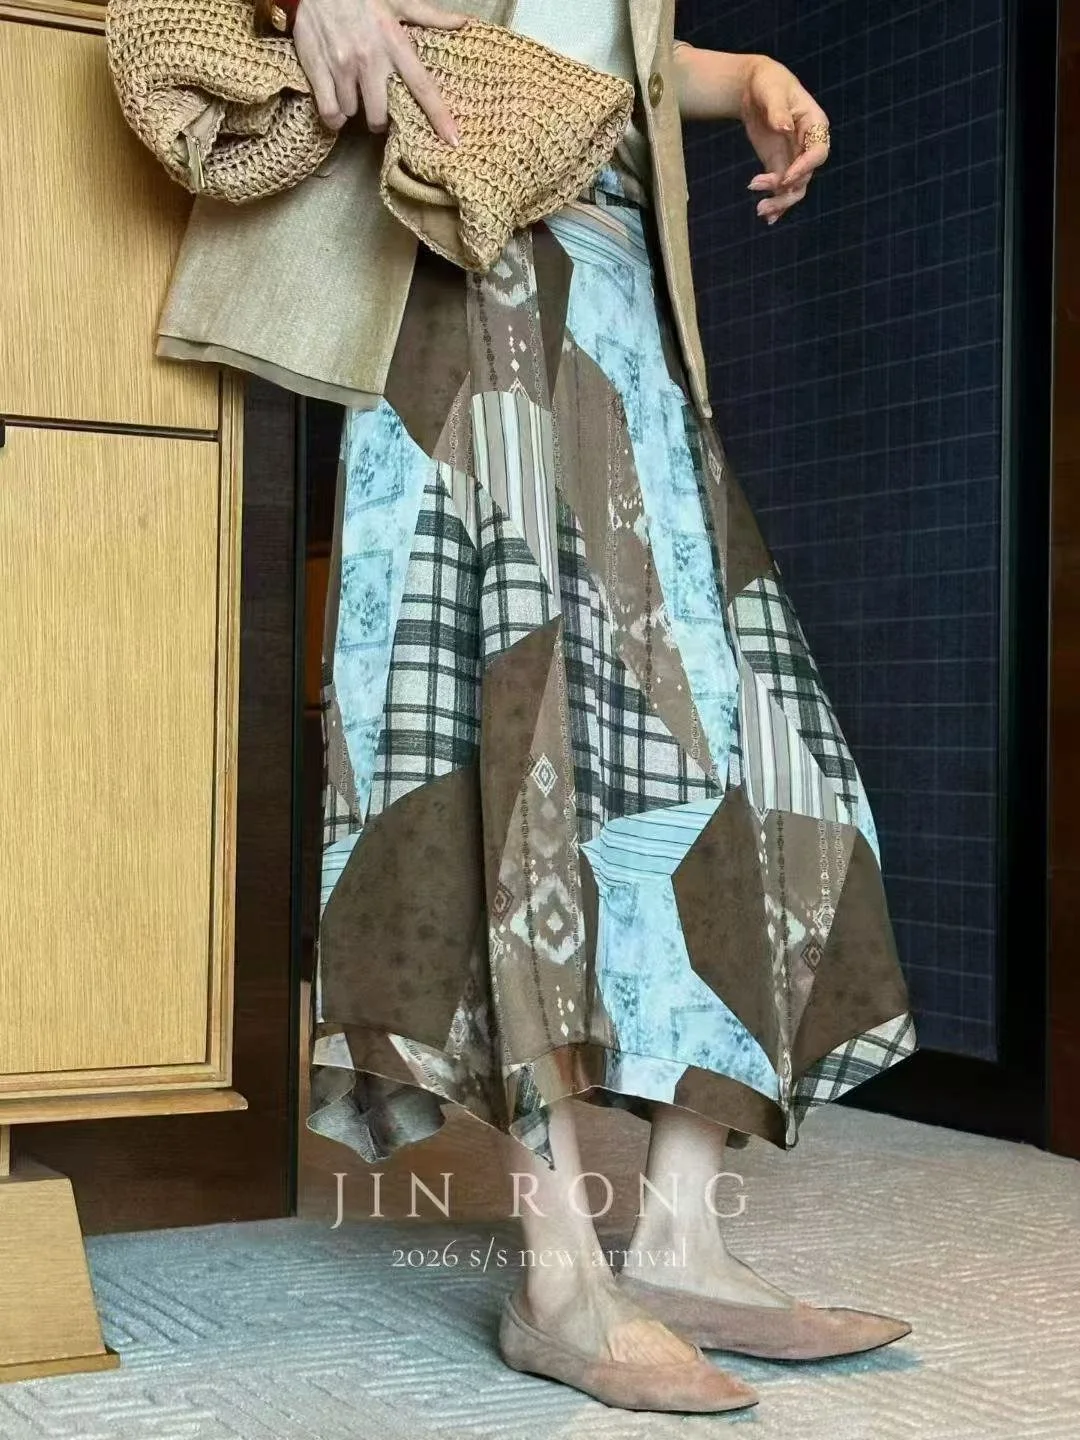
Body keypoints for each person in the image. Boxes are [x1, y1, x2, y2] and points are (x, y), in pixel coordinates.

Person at [192, 0, 920, 1415]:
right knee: (511, 744)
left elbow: (598, 38)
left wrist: (738, 76)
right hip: (462, 248)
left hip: (626, 285)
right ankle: (558, 1273)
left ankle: (682, 1240)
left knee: (739, 742)